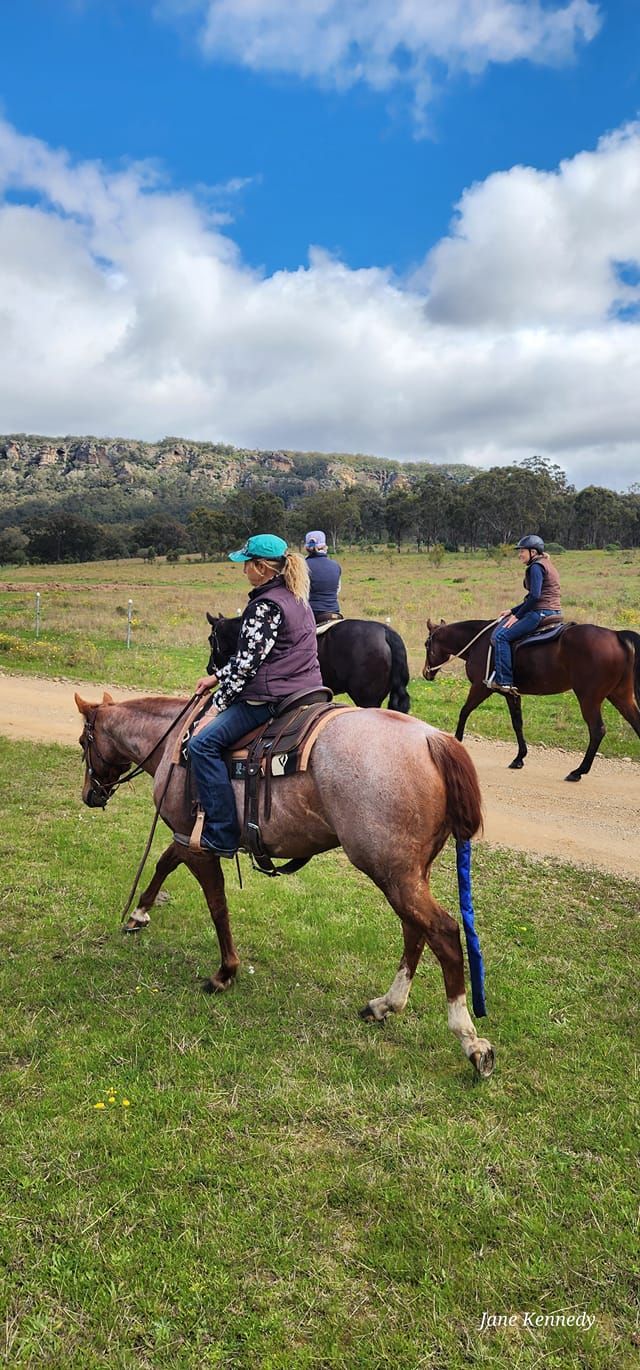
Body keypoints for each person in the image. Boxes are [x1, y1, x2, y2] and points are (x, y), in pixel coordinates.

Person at [186, 534, 323, 856]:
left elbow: (247, 665)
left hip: (270, 698)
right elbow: (257, 657)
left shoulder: (264, 605)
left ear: (261, 567)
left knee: (202, 744)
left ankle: (221, 834)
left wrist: (216, 705)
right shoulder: (296, 598)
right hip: (307, 690)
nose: (243, 569)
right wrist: (217, 677)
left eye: (247, 564)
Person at [485, 535, 562, 696]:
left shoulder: (535, 567)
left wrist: (517, 616)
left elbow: (535, 596)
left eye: (522, 551)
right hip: (554, 611)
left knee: (501, 637)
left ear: (533, 552)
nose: (520, 554)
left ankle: (504, 681)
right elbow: (535, 597)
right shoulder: (547, 564)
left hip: (540, 612)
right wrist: (512, 611)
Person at [304, 530, 342, 624]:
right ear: (325, 546)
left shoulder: (303, 566)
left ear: (306, 548)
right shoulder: (336, 565)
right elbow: (337, 589)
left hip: (312, 613)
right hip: (334, 611)